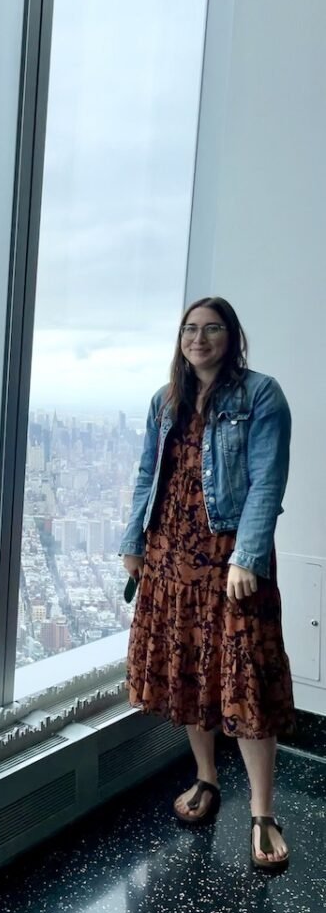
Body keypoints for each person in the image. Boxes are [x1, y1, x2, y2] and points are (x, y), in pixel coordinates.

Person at [118, 296, 294, 872]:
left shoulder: (260, 394)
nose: (199, 338)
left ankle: (263, 812)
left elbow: (268, 480)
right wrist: (133, 541)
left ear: (232, 336)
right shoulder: (164, 399)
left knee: (246, 681)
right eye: (190, 329)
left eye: (212, 328)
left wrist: (248, 556)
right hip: (171, 554)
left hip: (228, 559)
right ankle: (207, 777)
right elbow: (149, 472)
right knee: (192, 672)